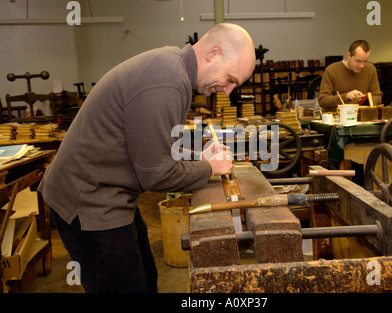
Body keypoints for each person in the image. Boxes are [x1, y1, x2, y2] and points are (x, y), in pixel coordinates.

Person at [38, 23, 256, 293]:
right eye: (231, 79)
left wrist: (199, 156)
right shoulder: (168, 81)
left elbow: (153, 147)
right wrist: (208, 168)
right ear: (214, 53)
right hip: (88, 203)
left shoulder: (173, 68)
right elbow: (156, 173)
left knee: (146, 278)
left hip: (109, 194)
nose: (228, 91)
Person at [318, 40, 383, 113]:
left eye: (365, 61)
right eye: (358, 61)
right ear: (349, 55)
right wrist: (346, 96)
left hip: (361, 117)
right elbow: (323, 100)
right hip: (336, 118)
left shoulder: (370, 69)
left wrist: (366, 100)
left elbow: (377, 96)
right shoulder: (332, 70)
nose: (361, 66)